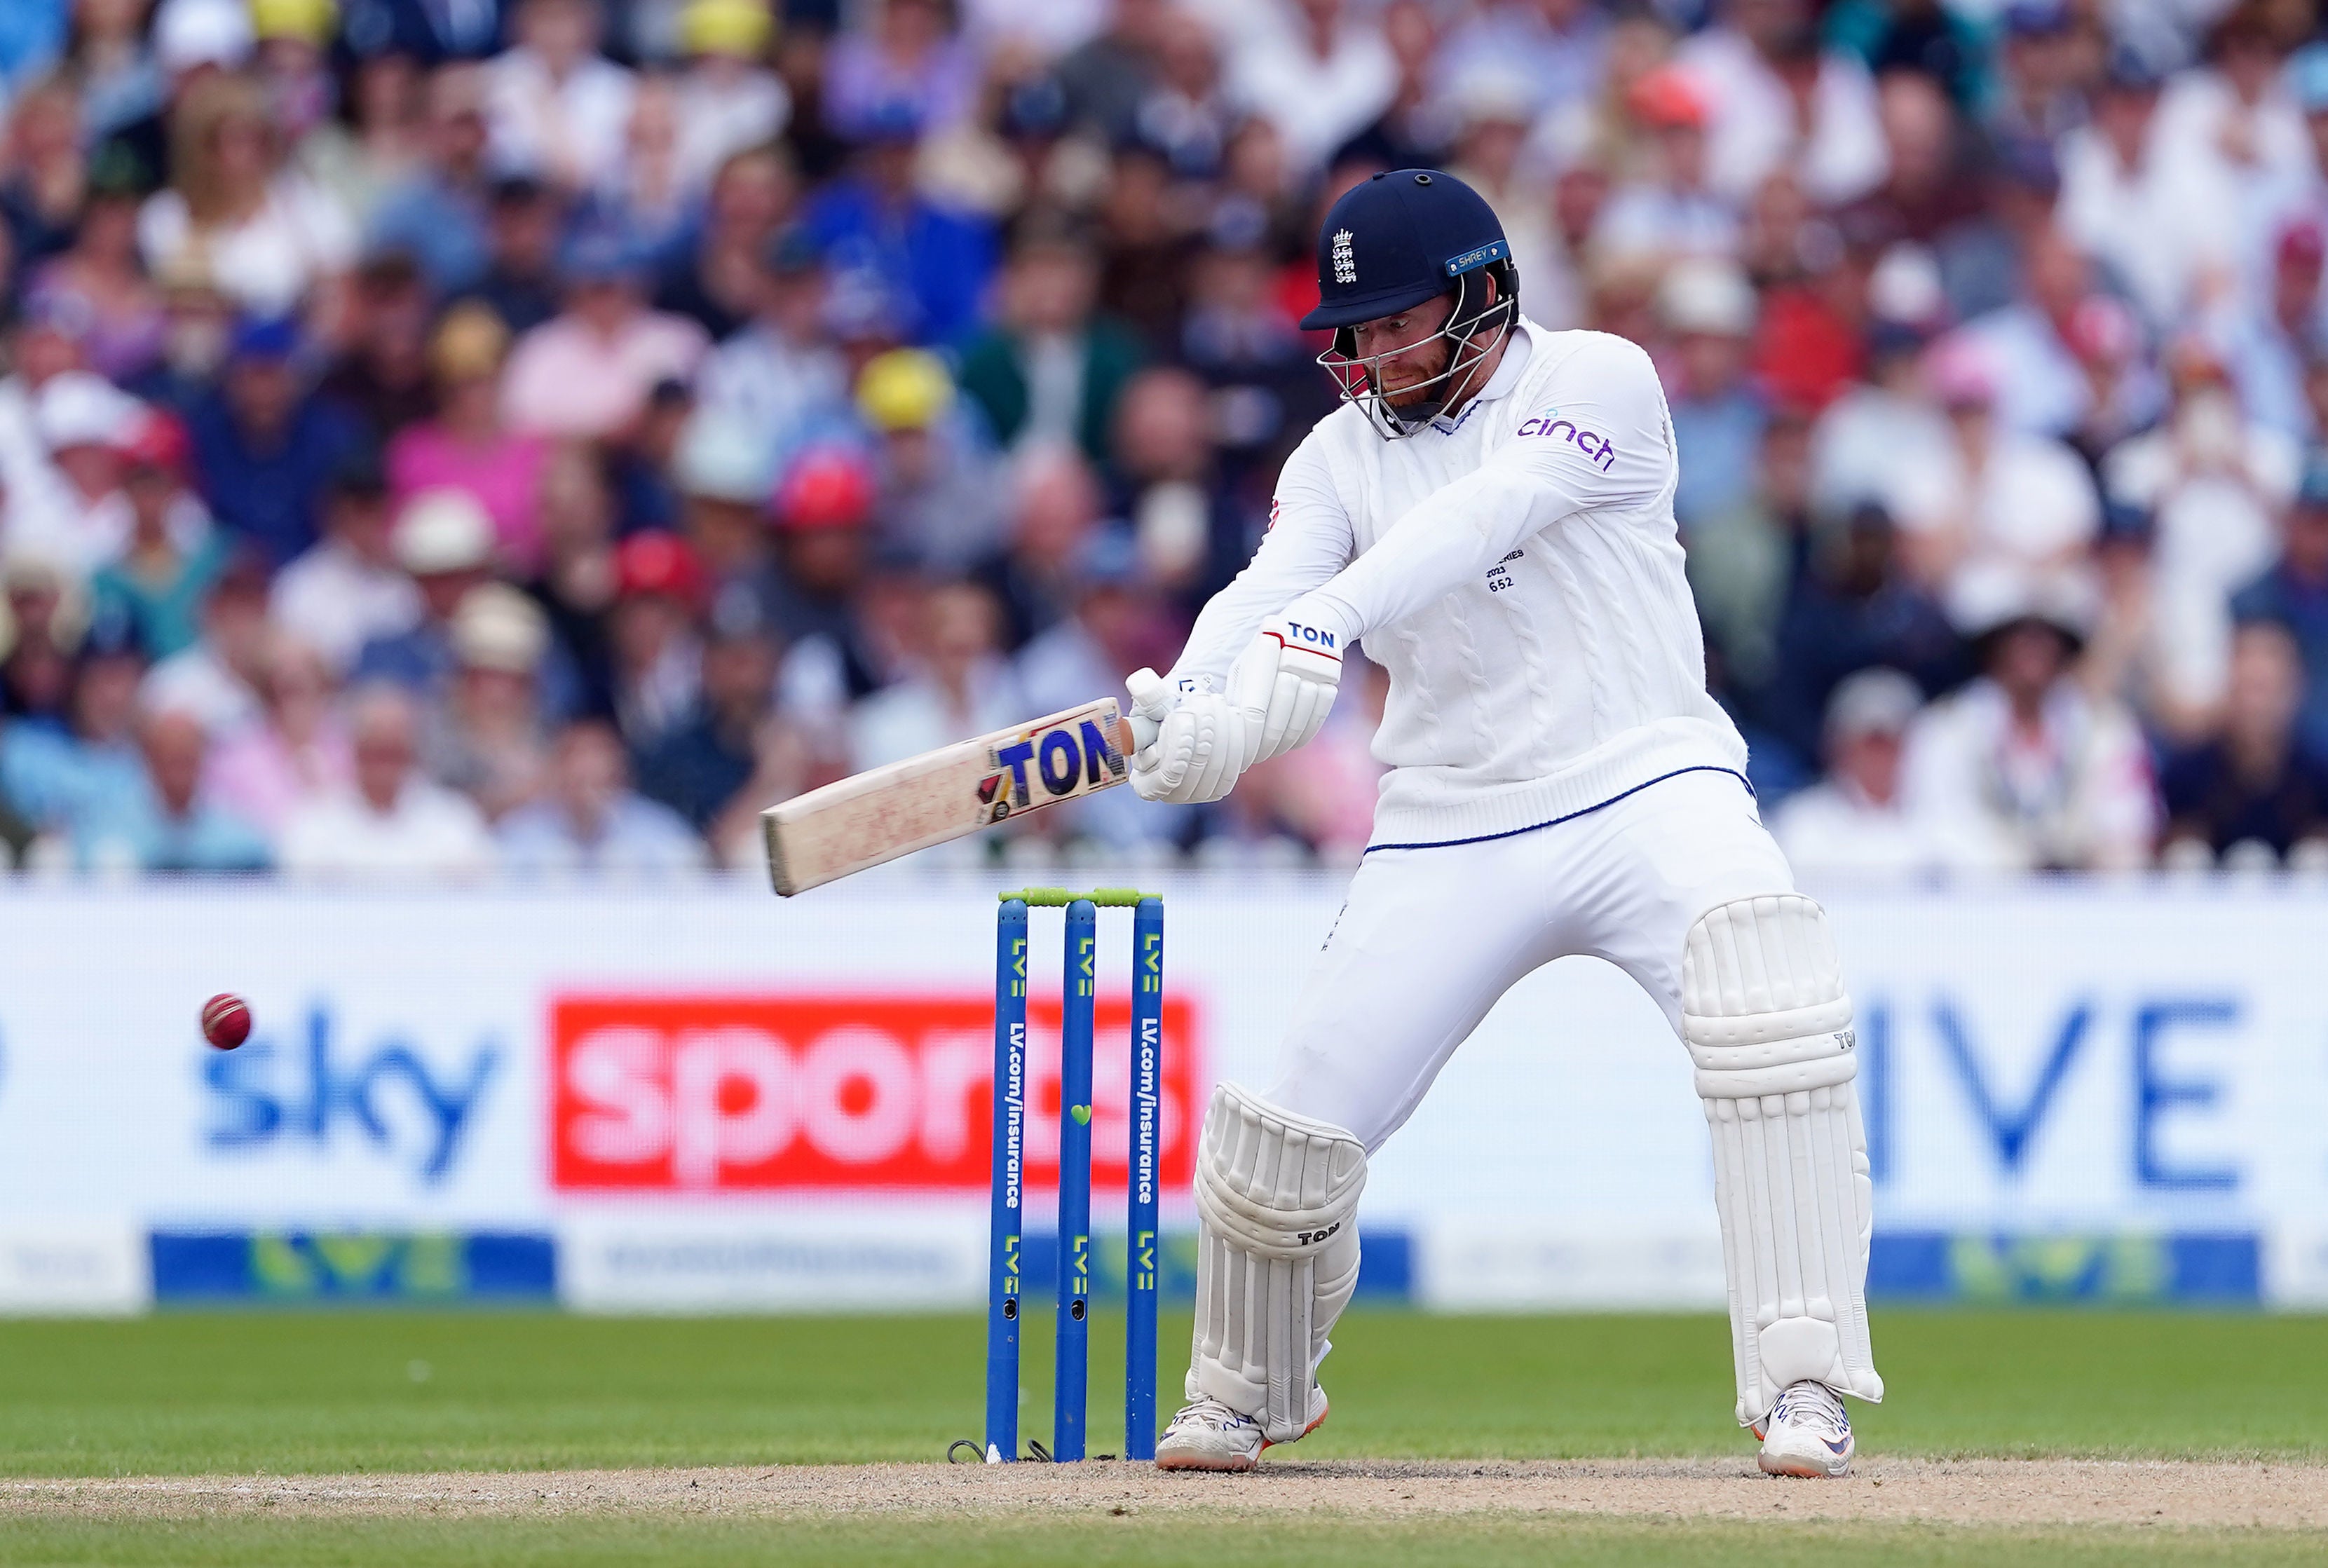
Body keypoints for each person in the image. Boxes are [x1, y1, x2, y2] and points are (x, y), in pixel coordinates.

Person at [1125, 169, 1882, 1475]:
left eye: (1393, 322)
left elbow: (1487, 520)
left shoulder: (1595, 379)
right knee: (1281, 1136)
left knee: (1769, 996)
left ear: (1482, 300)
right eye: (1348, 333)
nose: (1365, 356)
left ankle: (1803, 1384)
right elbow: (1268, 592)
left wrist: (1330, 620)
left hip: (1649, 777)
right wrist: (1190, 705)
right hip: (1451, 823)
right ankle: (1243, 1388)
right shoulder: (1335, 456)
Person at [278, 683, 496, 876]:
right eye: (375, 753)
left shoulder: (453, 820)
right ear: (355, 750)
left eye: (394, 754)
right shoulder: (316, 822)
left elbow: (481, 894)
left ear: (414, 754)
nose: (384, 767)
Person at [498, 716, 702, 873]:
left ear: (622, 776)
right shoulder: (518, 836)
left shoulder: (663, 836)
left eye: (598, 782)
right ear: (556, 772)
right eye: (579, 781)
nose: (587, 796)